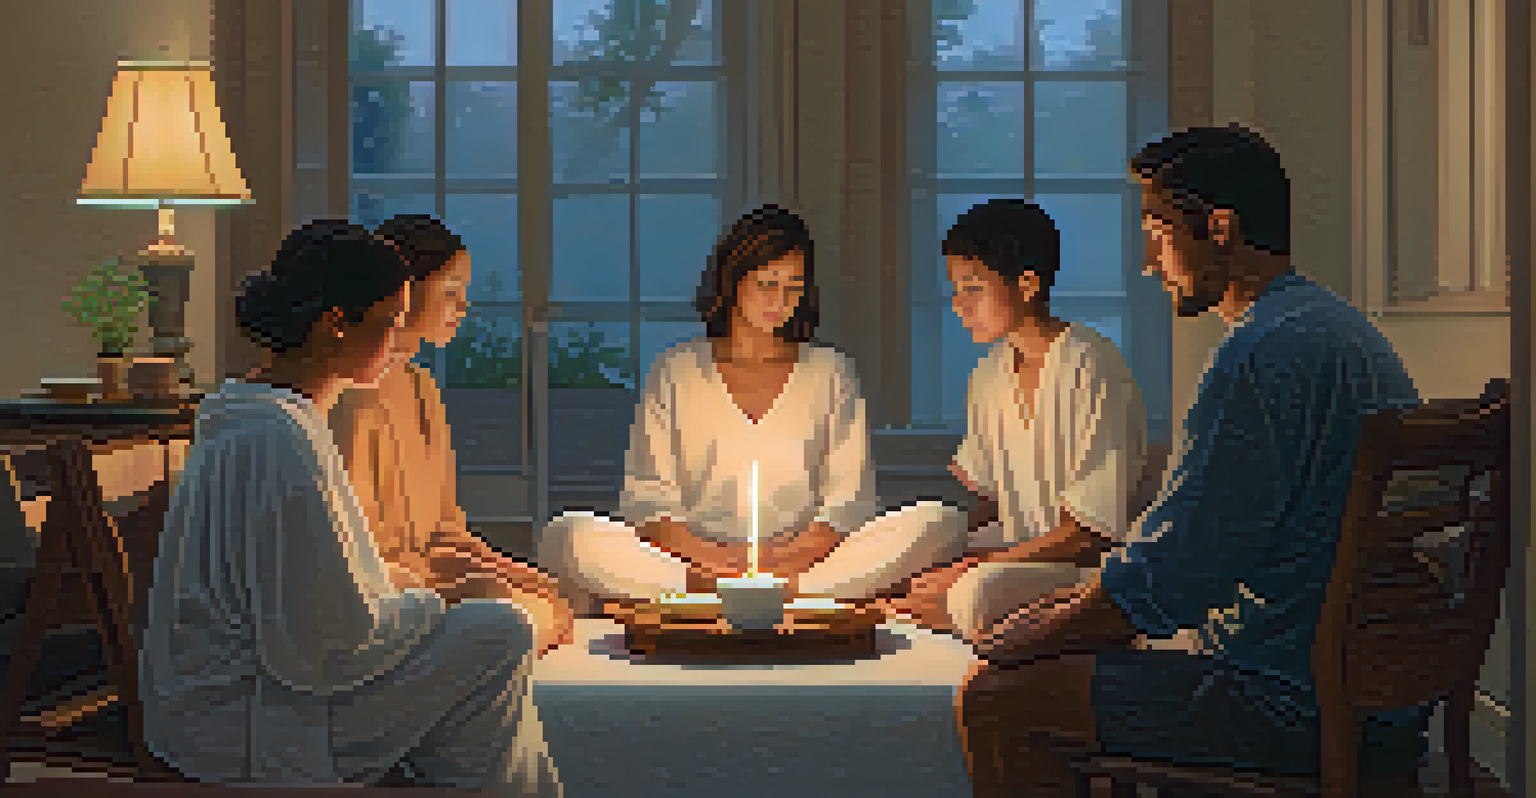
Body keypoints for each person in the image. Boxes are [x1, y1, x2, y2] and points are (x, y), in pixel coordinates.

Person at [954, 125, 1431, 797]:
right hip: (1382, 698)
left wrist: (1017, 639)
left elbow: (1172, 577)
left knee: (1000, 696)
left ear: (1220, 227)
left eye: (1158, 233)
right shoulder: (1338, 330)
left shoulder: (1260, 355)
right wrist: (1063, 609)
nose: (1149, 263)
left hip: (1292, 703)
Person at [140, 220, 563, 794]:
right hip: (249, 719)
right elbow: (327, 649)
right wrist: (439, 601)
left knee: (487, 668)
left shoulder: (254, 415)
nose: (397, 342)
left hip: (250, 697)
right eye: (389, 324)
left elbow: (319, 593)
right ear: (334, 326)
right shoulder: (278, 439)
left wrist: (423, 592)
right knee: (499, 632)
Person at [538, 205, 970, 607]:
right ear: (733, 282)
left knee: (941, 522)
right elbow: (649, 503)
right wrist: (717, 560)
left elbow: (847, 504)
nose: (779, 302)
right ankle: (726, 593)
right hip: (693, 565)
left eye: (792, 288)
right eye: (767, 285)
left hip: (804, 564)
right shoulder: (676, 369)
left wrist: (780, 560)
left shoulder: (829, 371)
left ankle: (778, 593)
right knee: (567, 535)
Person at [892, 199, 1149, 642]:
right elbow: (989, 506)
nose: (958, 304)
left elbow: (1090, 535)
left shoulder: (1091, 365)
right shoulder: (988, 374)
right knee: (924, 527)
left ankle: (937, 604)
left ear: (1027, 284)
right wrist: (940, 556)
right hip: (1011, 557)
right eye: (955, 289)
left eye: (973, 288)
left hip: (1077, 570)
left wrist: (975, 567)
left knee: (978, 593)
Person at [330, 214, 573, 652]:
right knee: (512, 616)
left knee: (545, 602)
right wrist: (469, 587)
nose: (463, 308)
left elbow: (445, 531)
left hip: (426, 580)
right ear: (404, 290)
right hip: (383, 594)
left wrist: (513, 571)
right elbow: (355, 554)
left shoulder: (423, 389)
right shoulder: (354, 395)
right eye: (450, 293)